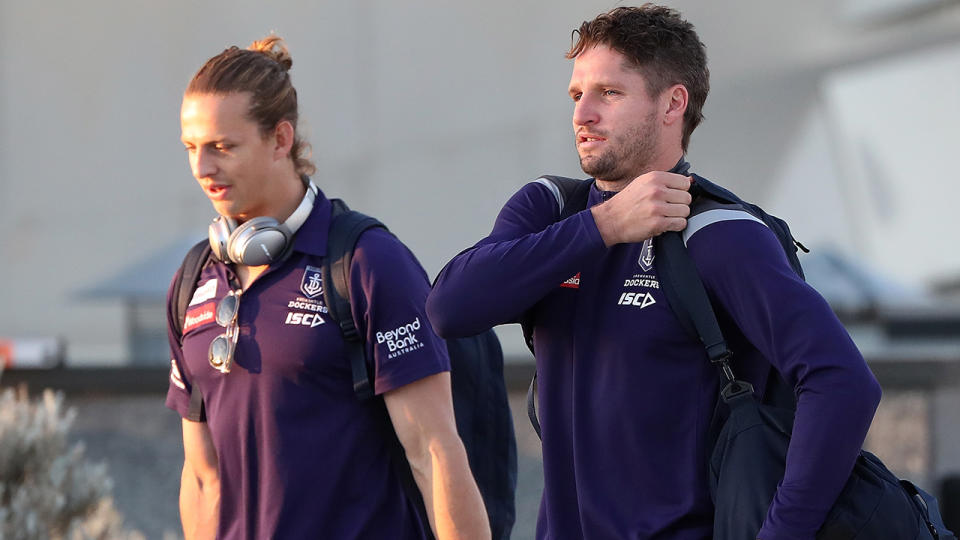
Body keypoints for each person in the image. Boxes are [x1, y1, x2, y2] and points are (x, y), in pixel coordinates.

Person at [426, 5, 881, 539]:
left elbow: (843, 381)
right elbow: (450, 308)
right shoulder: (551, 209)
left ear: (673, 104)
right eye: (577, 95)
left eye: (609, 94)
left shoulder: (718, 234)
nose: (582, 115)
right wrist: (604, 226)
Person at [165, 35, 489, 540]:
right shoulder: (193, 279)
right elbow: (203, 479)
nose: (203, 169)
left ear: (280, 139)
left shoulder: (367, 262)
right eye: (192, 148)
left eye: (223, 147)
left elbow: (434, 454)